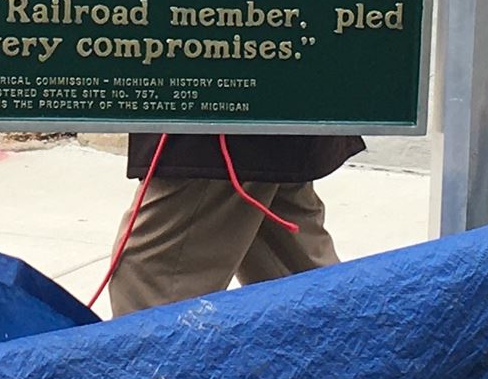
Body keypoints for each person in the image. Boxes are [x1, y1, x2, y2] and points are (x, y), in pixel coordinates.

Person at [105, 131, 363, 313]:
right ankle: (362, 367)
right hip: (261, 114)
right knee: (297, 282)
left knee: (151, 288)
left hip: (225, 123)